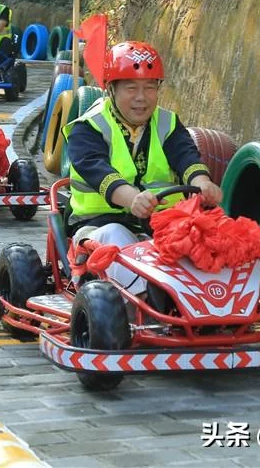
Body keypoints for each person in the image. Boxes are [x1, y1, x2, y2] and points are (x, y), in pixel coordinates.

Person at [63, 41, 223, 298]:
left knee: (214, 234)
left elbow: (186, 156)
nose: (142, 97)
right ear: (111, 89)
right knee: (118, 237)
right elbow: (97, 170)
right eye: (131, 88)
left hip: (161, 223)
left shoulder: (167, 123)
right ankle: (149, 298)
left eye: (150, 87)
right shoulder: (88, 127)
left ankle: (219, 299)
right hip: (98, 224)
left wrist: (203, 183)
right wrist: (132, 199)